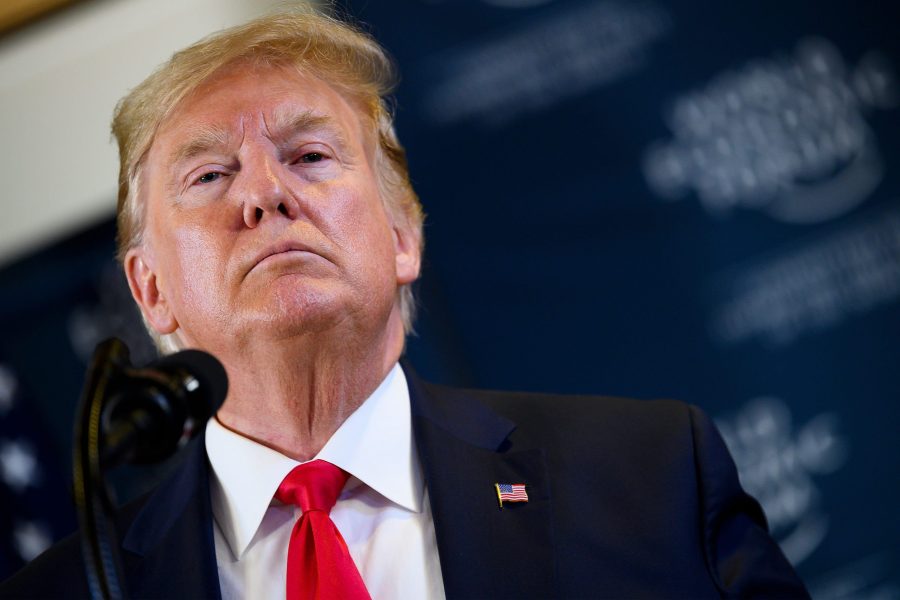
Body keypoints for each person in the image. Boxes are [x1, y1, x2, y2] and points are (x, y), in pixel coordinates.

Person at [1, 8, 808, 599]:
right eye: (209, 176)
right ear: (150, 290)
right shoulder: (68, 594)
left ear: (400, 238)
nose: (264, 195)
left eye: (309, 154)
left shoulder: (650, 473)